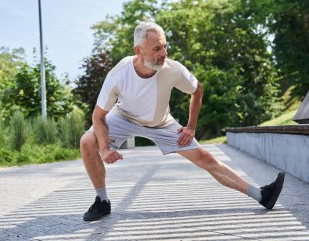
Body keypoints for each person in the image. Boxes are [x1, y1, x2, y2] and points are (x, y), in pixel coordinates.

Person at [80, 21, 285, 221]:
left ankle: (261, 195)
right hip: (124, 117)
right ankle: (102, 200)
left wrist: (191, 127)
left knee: (205, 158)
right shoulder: (119, 73)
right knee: (87, 142)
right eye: (157, 48)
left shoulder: (173, 69)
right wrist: (105, 148)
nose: (164, 53)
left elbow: (197, 90)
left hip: (162, 123)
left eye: (165, 46)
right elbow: (98, 115)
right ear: (139, 51)